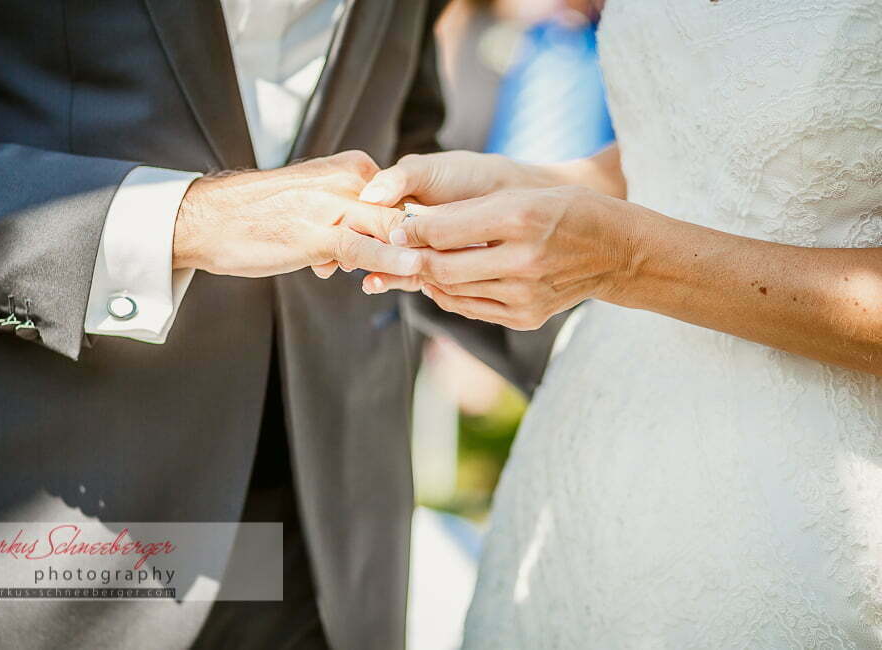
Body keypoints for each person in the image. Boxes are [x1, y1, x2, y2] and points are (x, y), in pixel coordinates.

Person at [0, 1, 561, 648]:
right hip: (39, 519)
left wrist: (599, 335)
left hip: (334, 533)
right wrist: (192, 221)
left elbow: (396, 141)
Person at [358, 0, 882, 645]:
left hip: (816, 506)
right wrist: (532, 184)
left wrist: (626, 261)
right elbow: (691, 141)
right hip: (590, 455)